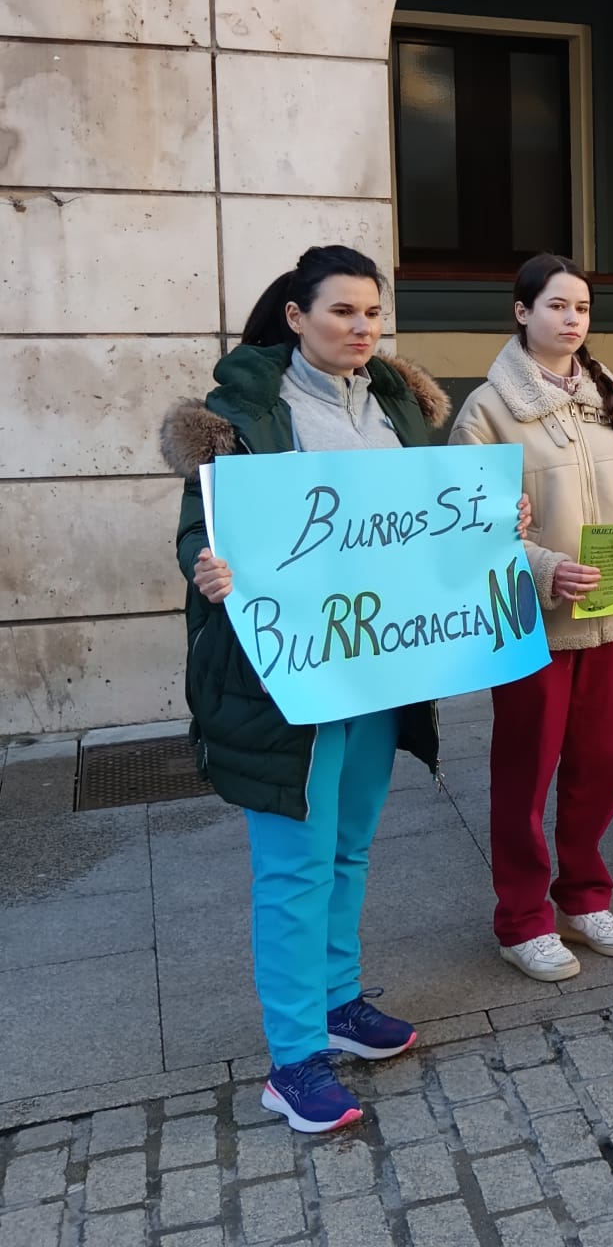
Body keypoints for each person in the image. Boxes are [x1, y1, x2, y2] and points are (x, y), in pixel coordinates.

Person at [162, 246, 449, 1133]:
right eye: (342, 313)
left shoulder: (400, 401)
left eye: (372, 315)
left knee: (350, 846)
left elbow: (432, 519)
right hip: (283, 678)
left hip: (380, 665)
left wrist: (488, 521)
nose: (362, 330)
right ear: (295, 316)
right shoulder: (243, 413)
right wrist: (208, 569)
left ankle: (336, 1001)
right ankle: (293, 1062)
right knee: (293, 866)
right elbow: (195, 534)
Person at [447, 255, 613, 983]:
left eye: (581, 307)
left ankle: (584, 897)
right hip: (536, 628)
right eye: (557, 305)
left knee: (606, 762)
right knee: (526, 773)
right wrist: (547, 568)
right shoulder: (485, 411)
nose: (572, 318)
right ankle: (523, 919)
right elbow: (470, 527)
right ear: (523, 313)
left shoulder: (609, 389)